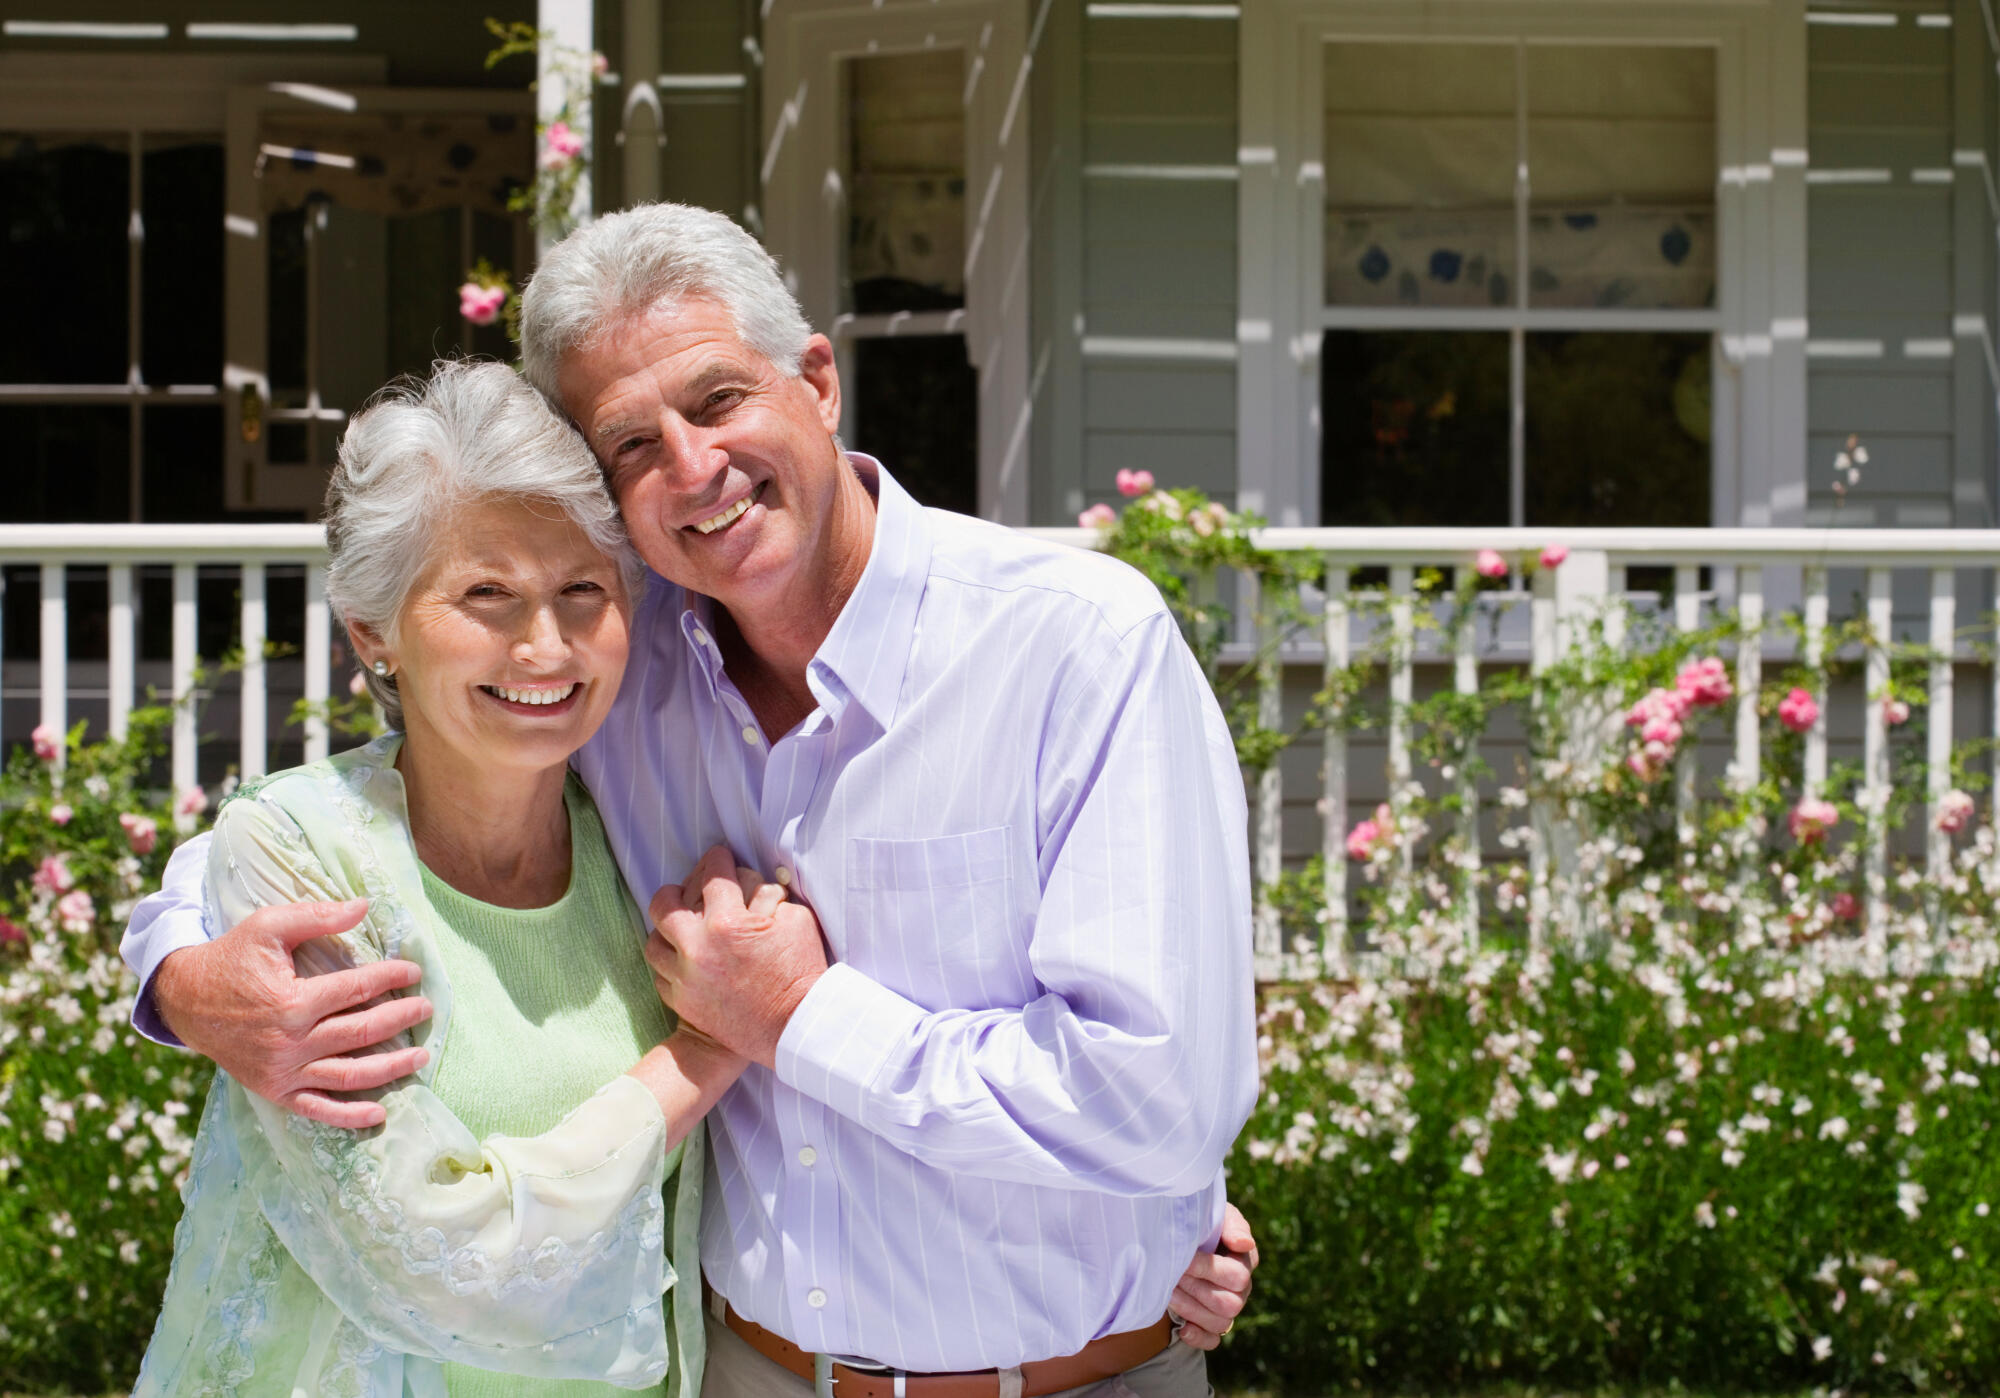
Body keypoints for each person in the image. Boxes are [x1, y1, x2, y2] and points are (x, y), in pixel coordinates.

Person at [125, 202, 1259, 1397]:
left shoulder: (1072, 644)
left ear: (815, 381)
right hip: (742, 1368)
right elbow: (377, 813)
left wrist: (795, 1017)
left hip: (1076, 1377)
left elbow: (1154, 1095)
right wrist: (181, 977)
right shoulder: (615, 659)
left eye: (717, 400)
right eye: (628, 445)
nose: (691, 467)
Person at [131, 361, 749, 1397]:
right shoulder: (301, 855)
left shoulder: (644, 835)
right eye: (486, 595)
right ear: (373, 631)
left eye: (581, 592)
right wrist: (705, 1055)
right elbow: (443, 1264)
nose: (544, 645)